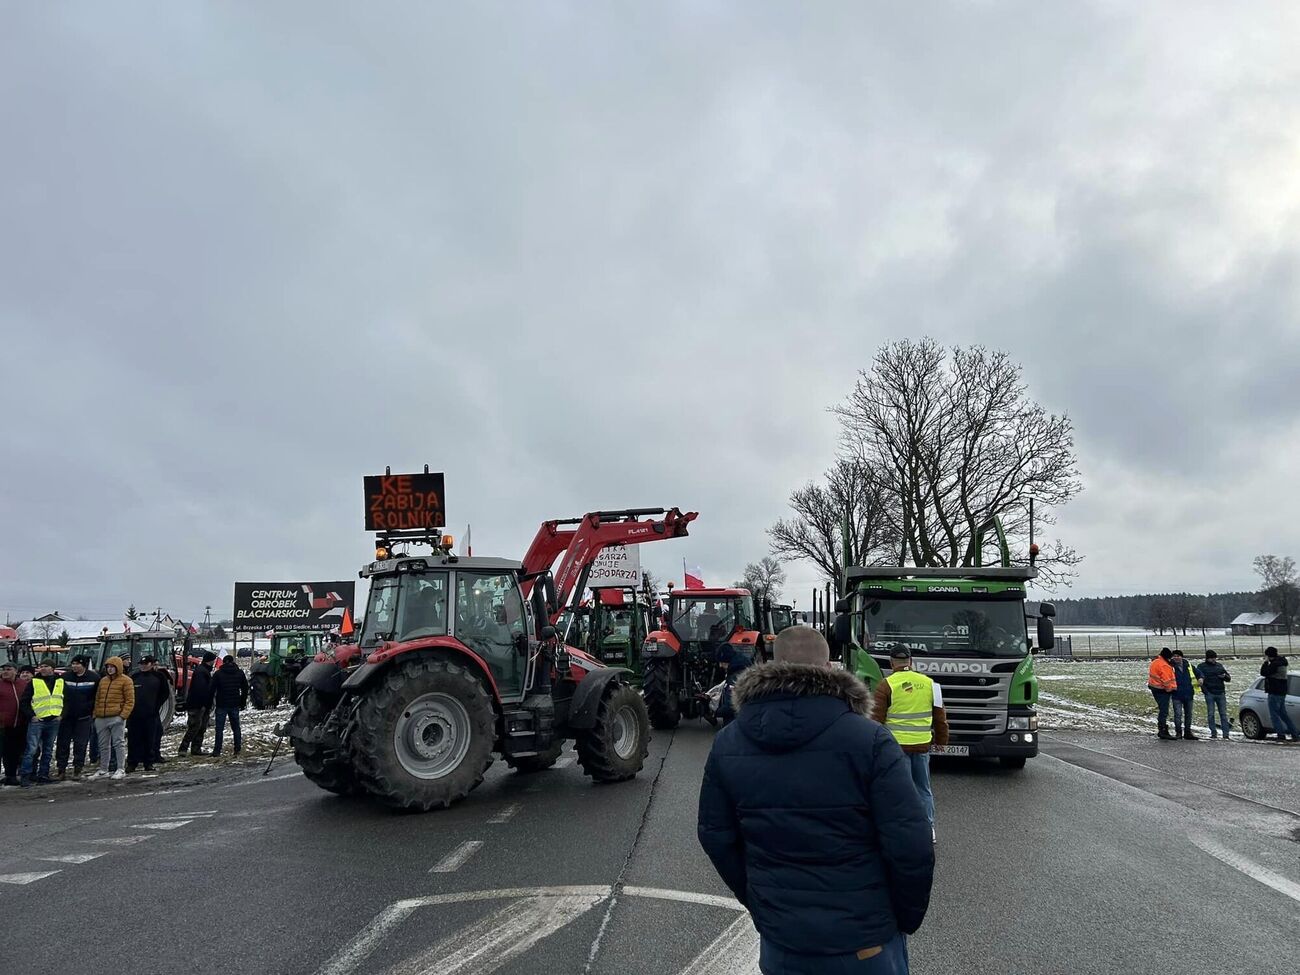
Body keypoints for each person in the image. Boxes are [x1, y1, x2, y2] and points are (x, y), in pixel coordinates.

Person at [698, 627, 933, 974]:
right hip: (865, 944)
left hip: (783, 944)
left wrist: (761, 903)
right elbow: (910, 844)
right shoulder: (871, 741)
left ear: (769, 665)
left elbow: (716, 836)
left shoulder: (728, 742)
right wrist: (901, 919)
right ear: (828, 667)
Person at [870, 647, 950, 842]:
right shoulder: (931, 684)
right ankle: (928, 828)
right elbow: (941, 717)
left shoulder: (885, 685)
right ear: (910, 661)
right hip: (922, 746)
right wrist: (941, 741)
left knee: (899, 789)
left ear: (891, 663)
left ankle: (901, 829)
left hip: (896, 749)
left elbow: (876, 720)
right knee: (924, 789)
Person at [19, 659, 65, 785]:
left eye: (46, 666)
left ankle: (43, 775)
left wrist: (61, 714)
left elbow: (66, 699)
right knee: (31, 750)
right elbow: (24, 702)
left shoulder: (60, 681)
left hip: (53, 720)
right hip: (38, 721)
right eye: (41, 666)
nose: (42, 668)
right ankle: (26, 776)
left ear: (52, 668)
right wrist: (32, 716)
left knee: (48, 750)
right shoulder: (34, 682)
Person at [90, 656, 134, 779]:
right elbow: (98, 698)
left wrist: (122, 716)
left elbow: (130, 700)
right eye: (108, 667)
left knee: (118, 743)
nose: (110, 669)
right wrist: (95, 714)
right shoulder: (103, 681)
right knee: (103, 745)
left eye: (112, 667)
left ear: (118, 668)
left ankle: (120, 768)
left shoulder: (126, 681)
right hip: (101, 717)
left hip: (116, 717)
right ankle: (104, 769)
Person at [56, 655, 100, 778]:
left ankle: (78, 768)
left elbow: (97, 696)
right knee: (62, 744)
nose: (74, 666)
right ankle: (61, 769)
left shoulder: (94, 678)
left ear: (84, 665)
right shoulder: (65, 677)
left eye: (77, 664)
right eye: (73, 664)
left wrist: (91, 709)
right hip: (66, 717)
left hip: (84, 717)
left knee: (80, 744)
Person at [127, 656, 168, 772]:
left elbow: (164, 693)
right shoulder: (134, 677)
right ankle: (132, 763)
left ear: (151, 664)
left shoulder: (159, 676)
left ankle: (148, 763)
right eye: (141, 664)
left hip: (151, 714)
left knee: (149, 739)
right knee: (133, 740)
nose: (143, 666)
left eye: (146, 663)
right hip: (134, 715)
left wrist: (156, 706)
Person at [177, 651, 216, 756]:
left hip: (202, 705)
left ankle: (196, 749)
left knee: (201, 728)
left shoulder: (203, 671)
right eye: (213, 660)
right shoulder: (201, 672)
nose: (214, 662)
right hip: (198, 705)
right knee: (194, 727)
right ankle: (183, 749)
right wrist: (203, 704)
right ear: (210, 661)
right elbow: (200, 690)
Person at [211, 654, 249, 757]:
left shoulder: (218, 674)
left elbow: (212, 689)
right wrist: (242, 702)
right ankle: (237, 749)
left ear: (223, 662)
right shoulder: (239, 673)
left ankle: (217, 751)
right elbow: (245, 688)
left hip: (221, 703)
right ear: (233, 661)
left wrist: (210, 703)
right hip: (234, 703)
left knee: (219, 729)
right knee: (236, 728)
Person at [1260, 647, 1299, 744]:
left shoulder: (1274, 664)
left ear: (1269, 656)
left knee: (1274, 715)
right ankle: (1294, 733)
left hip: (1274, 692)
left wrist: (1265, 663)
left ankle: (1281, 735)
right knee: (1283, 715)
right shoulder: (1282, 662)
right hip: (1282, 693)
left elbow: (1264, 672)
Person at [1194, 650, 1233, 740]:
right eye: (1212, 658)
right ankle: (1213, 733)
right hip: (1210, 693)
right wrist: (1205, 691)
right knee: (1211, 714)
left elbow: (1228, 678)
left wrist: (1225, 677)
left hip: (1221, 692)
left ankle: (1226, 734)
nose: (1214, 660)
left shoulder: (1219, 666)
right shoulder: (1201, 667)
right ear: (1207, 658)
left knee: (1223, 714)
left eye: (1215, 658)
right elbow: (1199, 679)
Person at [0, 661, 24, 785]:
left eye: (8, 669)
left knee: (13, 752)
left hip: (18, 725)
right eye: (3, 669)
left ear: (15, 671)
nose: (5, 672)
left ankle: (11, 776)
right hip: (2, 726)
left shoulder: (23, 684)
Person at [1147, 647, 1177, 740]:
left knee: (1162, 709)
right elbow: (1166, 680)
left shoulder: (1155, 662)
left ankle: (1162, 729)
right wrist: (1170, 689)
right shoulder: (1164, 665)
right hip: (1162, 690)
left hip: (1154, 688)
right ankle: (1163, 730)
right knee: (1164, 711)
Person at [1169, 649, 1199, 740]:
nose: (1176, 658)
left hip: (1188, 694)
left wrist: (1201, 678)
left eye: (1178, 656)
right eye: (1174, 656)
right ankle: (1178, 732)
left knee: (1188, 714)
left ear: (1182, 657)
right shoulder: (1170, 667)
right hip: (1176, 695)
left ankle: (1187, 732)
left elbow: (1198, 673)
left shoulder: (1188, 665)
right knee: (1178, 715)